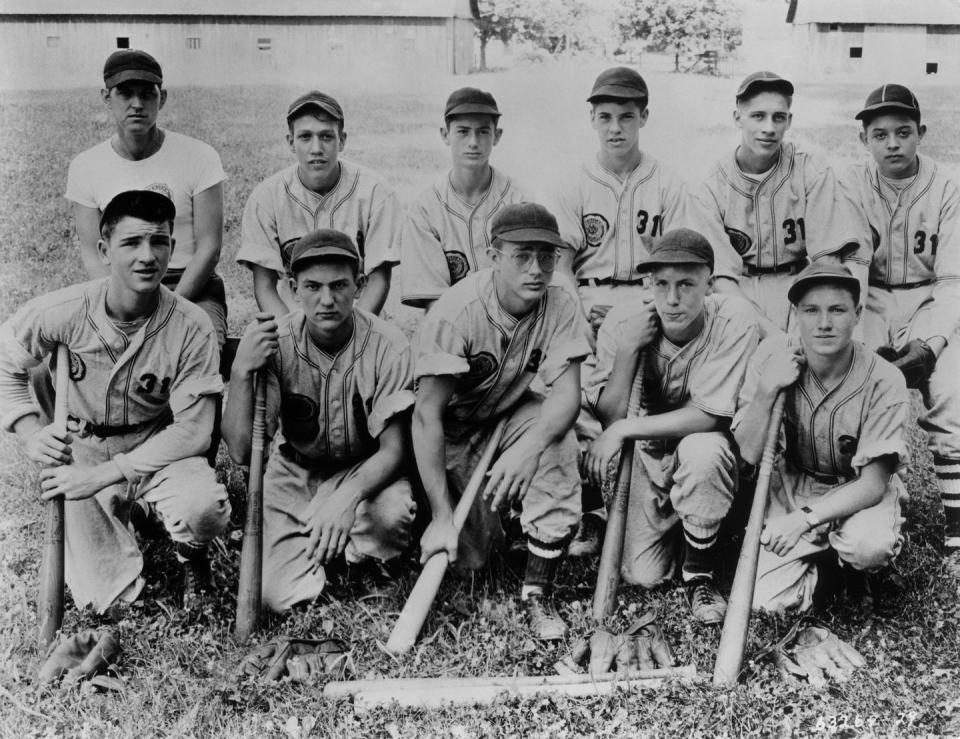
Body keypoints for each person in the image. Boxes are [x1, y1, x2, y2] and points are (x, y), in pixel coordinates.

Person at [0, 190, 230, 612]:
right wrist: (30, 432)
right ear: (105, 250)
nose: (147, 256)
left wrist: (109, 474)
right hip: (82, 449)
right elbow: (4, 362)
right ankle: (135, 514)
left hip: (156, 448)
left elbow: (195, 431)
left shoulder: (192, 324)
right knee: (109, 602)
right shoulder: (63, 311)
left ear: (172, 248)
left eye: (158, 241)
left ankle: (191, 555)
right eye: (131, 243)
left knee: (203, 510)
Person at [552, 66, 739, 558]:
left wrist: (640, 308)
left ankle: (680, 496)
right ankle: (591, 507)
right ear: (592, 119)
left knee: (645, 401)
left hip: (651, 298)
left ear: (644, 118)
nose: (616, 128)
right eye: (606, 117)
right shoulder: (573, 182)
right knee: (576, 400)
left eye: (627, 117)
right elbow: (561, 265)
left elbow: (681, 262)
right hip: (586, 299)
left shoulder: (669, 184)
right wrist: (577, 317)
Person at [411, 202, 589, 640]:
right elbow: (425, 416)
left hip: (509, 416)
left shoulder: (561, 300)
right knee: (470, 563)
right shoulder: (458, 310)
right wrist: (440, 515)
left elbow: (567, 396)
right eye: (522, 255)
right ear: (493, 256)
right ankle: (449, 518)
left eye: (546, 256)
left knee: (557, 441)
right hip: (450, 432)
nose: (536, 268)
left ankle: (536, 590)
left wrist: (530, 450)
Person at [222, 229, 416, 611]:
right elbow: (242, 450)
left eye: (340, 285)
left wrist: (345, 496)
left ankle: (365, 563)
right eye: (312, 286)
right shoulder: (276, 343)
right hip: (296, 471)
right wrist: (243, 370)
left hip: (365, 466)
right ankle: (325, 557)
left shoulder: (389, 346)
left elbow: (395, 450)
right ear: (293, 289)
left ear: (360, 285)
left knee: (388, 515)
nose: (327, 300)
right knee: (270, 595)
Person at [582, 228, 761, 625]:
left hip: (713, 450)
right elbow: (609, 416)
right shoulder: (624, 321)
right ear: (648, 284)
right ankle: (685, 529)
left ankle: (700, 571)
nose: (673, 298)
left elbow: (709, 416)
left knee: (702, 451)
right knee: (643, 576)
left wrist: (624, 430)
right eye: (661, 284)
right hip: (649, 456)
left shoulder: (733, 317)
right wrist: (628, 349)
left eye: (686, 284)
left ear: (709, 284)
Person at [732, 262, 908, 612]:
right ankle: (831, 569)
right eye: (811, 310)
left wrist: (804, 521)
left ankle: (860, 563)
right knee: (766, 603)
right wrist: (767, 389)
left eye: (837, 310)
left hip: (856, 489)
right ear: (795, 313)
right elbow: (748, 453)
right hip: (794, 485)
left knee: (868, 546)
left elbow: (872, 484)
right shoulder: (773, 355)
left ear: (857, 314)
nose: (824, 323)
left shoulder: (885, 378)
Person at [839, 84, 960, 576]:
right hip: (871, 296)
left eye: (903, 132)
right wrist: (864, 343)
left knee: (952, 395)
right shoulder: (848, 181)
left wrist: (932, 344)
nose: (893, 143)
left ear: (921, 134)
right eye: (880, 134)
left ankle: (958, 535)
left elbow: (954, 278)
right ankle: (883, 503)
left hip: (933, 295)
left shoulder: (949, 184)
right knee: (859, 396)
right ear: (864, 138)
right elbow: (852, 267)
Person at [65, 49, 228, 347]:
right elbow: (92, 253)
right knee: (72, 352)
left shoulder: (199, 156)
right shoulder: (86, 166)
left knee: (200, 351)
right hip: (120, 287)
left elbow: (209, 248)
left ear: (162, 98)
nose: (137, 104)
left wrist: (167, 309)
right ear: (106, 97)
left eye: (148, 94)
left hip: (189, 285)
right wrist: (121, 307)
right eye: (125, 93)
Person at [694, 71, 869, 333]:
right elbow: (721, 280)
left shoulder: (810, 168)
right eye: (758, 116)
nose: (769, 127)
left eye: (779, 117)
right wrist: (773, 335)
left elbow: (828, 260)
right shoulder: (712, 183)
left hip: (800, 281)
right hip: (739, 290)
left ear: (789, 121)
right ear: (737, 118)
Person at [237, 91, 403, 318]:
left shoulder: (375, 192)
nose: (316, 148)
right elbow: (264, 286)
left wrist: (354, 334)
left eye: (326, 136)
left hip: (358, 321)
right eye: (305, 137)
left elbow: (379, 279)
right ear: (291, 142)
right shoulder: (266, 197)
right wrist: (291, 338)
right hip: (291, 320)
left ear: (342, 140)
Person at [401, 87, 530, 311]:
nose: (473, 142)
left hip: (512, 319)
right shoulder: (425, 208)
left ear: (497, 136)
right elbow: (433, 301)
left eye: (482, 132)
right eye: (463, 131)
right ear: (445, 135)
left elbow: (528, 283)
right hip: (451, 323)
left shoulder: (519, 199)